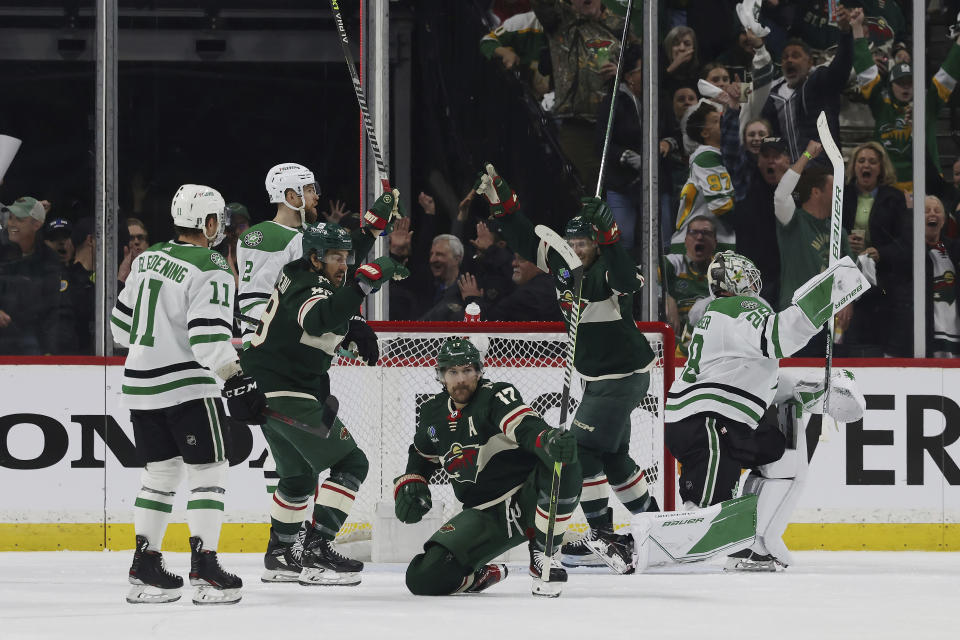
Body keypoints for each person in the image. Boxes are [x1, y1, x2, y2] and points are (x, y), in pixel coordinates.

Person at [475, 164, 659, 575]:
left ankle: (602, 535)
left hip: (622, 377)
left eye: (584, 241)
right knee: (614, 458)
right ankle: (656, 526)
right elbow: (524, 238)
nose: (577, 247)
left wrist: (612, 236)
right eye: (572, 241)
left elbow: (628, 280)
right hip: (599, 380)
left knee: (581, 451)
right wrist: (502, 203)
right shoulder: (563, 265)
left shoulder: (608, 268)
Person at [110, 184, 267, 605]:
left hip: (140, 386)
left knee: (159, 475)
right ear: (208, 222)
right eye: (219, 221)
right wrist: (236, 378)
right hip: (187, 387)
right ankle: (205, 567)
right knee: (208, 473)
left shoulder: (147, 258)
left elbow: (119, 330)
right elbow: (208, 340)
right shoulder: (211, 264)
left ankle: (145, 566)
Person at [663, 251, 867, 571]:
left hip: (709, 420)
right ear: (737, 282)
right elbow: (782, 335)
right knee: (704, 518)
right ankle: (647, 542)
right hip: (710, 422)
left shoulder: (723, 318)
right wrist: (833, 290)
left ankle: (756, 545)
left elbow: (768, 384)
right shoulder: (741, 306)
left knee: (781, 452)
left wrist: (819, 392)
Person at [241, 223, 408, 586]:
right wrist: (365, 283)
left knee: (298, 477)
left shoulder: (298, 272)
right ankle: (316, 551)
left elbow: (327, 310)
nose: (344, 264)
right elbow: (318, 319)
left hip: (268, 389)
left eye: (347, 257)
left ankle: (281, 554)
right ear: (315, 258)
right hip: (288, 390)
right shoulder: (311, 286)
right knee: (352, 461)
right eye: (336, 257)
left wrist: (369, 229)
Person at [394, 337, 580, 597]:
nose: (461, 379)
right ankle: (479, 576)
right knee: (422, 578)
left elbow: (526, 428)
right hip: (484, 514)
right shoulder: (432, 412)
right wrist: (413, 479)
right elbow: (422, 454)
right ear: (441, 376)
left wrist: (547, 440)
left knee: (564, 460)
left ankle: (543, 551)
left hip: (528, 495)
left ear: (479, 372)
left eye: (468, 371)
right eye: (453, 372)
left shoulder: (496, 395)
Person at [532, 0, 633, 192]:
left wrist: (622, 72)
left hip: (614, 126)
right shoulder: (559, 20)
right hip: (575, 125)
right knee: (576, 190)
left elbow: (640, 68)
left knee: (611, 194)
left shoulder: (621, 25)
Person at [853, 27, 960, 191]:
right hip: (888, 187)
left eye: (910, 83)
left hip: (926, 186)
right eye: (901, 83)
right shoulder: (881, 106)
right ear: (890, 86)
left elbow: (947, 74)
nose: (906, 87)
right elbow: (866, 73)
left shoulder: (928, 105)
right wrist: (856, 30)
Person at [236, 163, 320, 348]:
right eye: (309, 190)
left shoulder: (306, 235)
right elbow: (255, 303)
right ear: (291, 196)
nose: (316, 196)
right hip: (273, 344)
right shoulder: (271, 236)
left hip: (292, 339)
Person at [759, 5, 858, 163]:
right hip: (788, 172)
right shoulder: (773, 96)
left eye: (796, 56)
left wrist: (846, 34)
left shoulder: (821, 81)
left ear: (810, 62)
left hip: (822, 170)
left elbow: (842, 66)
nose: (789, 60)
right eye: (785, 57)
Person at [773, 142, 854, 332]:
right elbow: (780, 195)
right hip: (796, 317)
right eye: (835, 189)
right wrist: (807, 155)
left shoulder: (837, 230)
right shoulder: (793, 221)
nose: (840, 194)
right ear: (816, 192)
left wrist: (847, 302)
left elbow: (849, 271)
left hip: (829, 319)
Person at [840, 142, 911, 357]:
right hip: (849, 284)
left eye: (872, 161)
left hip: (884, 285)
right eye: (861, 161)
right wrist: (846, 243)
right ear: (854, 167)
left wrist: (881, 252)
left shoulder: (894, 198)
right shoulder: (842, 195)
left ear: (881, 168)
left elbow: (905, 243)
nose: (866, 166)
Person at [0, 196, 73, 355]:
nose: (11, 224)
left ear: (37, 225)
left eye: (19, 219)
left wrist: (49, 352)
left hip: (28, 338)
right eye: (10, 218)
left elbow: (51, 311)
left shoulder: (48, 259)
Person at [671, 101, 736, 253]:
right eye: (716, 121)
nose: (724, 123)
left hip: (712, 243)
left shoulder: (724, 157)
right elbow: (721, 206)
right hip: (700, 246)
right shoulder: (707, 157)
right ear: (705, 133)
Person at [664, 216, 716, 355]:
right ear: (686, 240)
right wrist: (667, 298)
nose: (699, 237)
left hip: (712, 340)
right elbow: (642, 274)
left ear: (715, 242)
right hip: (675, 338)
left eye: (706, 233)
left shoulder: (724, 269)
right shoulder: (673, 263)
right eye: (694, 232)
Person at [460, 252, 562, 322]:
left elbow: (490, 320)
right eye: (515, 258)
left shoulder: (528, 295)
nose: (514, 263)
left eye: (521, 259)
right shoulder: (556, 285)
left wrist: (472, 299)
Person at [924, 196, 960, 357]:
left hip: (954, 334)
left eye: (937, 211)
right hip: (926, 336)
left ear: (944, 220)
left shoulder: (952, 248)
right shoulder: (910, 251)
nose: (932, 214)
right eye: (926, 211)